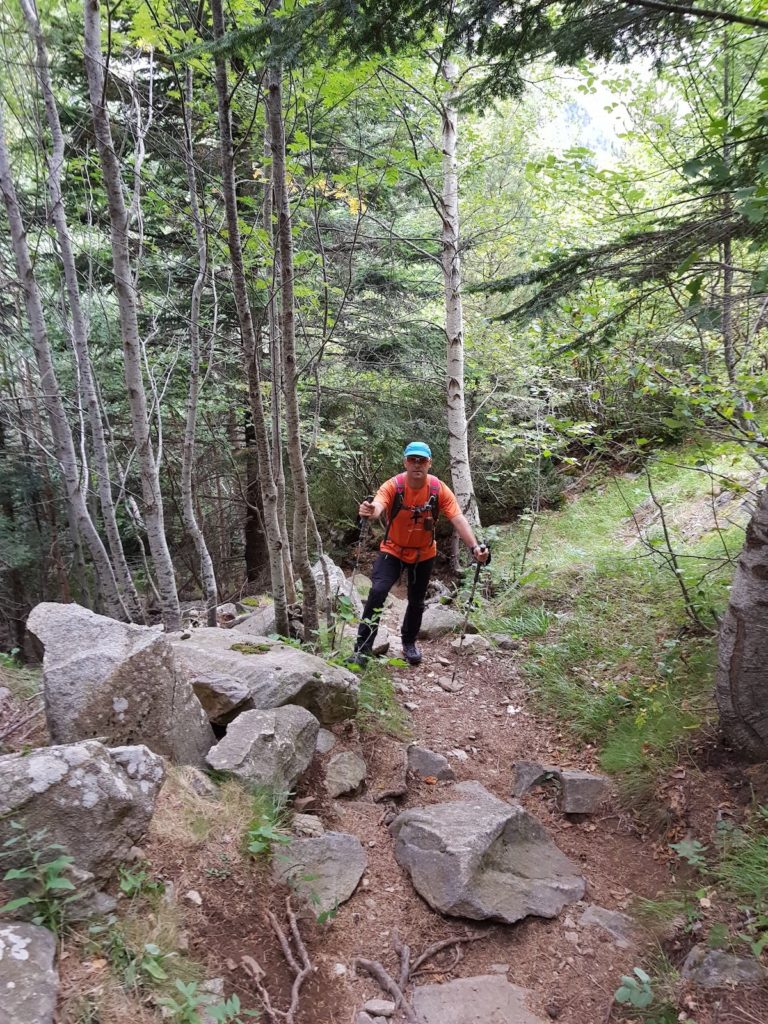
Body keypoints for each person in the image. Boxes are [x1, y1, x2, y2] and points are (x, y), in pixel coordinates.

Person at [353, 441, 489, 666]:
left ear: (429, 463)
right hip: (393, 549)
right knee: (377, 591)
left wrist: (474, 547)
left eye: (422, 460)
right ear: (405, 461)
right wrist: (370, 510)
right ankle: (362, 648)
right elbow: (379, 505)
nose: (417, 464)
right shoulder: (394, 485)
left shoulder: (438, 489)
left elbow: (457, 519)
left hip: (423, 554)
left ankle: (408, 643)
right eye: (413, 459)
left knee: (416, 601)